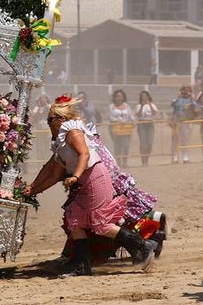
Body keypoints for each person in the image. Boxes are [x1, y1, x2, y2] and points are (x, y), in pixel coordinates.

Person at [23, 96, 156, 276]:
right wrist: (32, 189)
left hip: (94, 178)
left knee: (99, 223)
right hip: (85, 182)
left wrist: (75, 176)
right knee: (74, 218)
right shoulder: (60, 141)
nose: (47, 123)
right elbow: (52, 173)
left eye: (50, 119)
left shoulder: (73, 131)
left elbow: (84, 154)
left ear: (61, 119)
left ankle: (142, 245)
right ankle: (82, 265)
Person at [171, 85, 198, 164]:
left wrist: (192, 98)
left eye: (187, 90)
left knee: (185, 140)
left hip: (187, 122)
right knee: (176, 140)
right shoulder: (177, 99)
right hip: (177, 122)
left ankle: (185, 157)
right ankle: (175, 158)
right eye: (184, 90)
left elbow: (195, 108)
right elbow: (172, 105)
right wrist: (178, 97)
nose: (186, 92)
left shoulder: (191, 100)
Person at [107, 89, 134, 165]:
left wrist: (132, 121)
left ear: (123, 97)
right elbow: (110, 117)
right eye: (117, 96)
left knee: (126, 145)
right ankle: (118, 162)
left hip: (126, 128)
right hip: (115, 128)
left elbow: (130, 115)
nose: (119, 98)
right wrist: (118, 120)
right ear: (114, 97)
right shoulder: (111, 106)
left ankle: (125, 162)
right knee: (117, 145)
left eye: (120, 96)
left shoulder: (127, 106)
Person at [134, 90, 160, 166]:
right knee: (143, 143)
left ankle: (147, 159)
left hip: (150, 124)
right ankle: (143, 161)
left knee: (149, 143)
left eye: (145, 96)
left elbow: (155, 113)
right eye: (142, 96)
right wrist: (142, 106)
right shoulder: (138, 106)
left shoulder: (152, 104)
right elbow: (138, 114)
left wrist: (149, 104)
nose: (144, 97)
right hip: (142, 124)